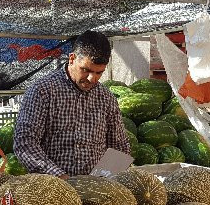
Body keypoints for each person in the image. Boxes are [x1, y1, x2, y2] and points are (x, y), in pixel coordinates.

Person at [14, 31, 131, 177]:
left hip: (95, 190)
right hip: (53, 189)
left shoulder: (106, 98)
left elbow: (119, 147)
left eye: (99, 73)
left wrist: (103, 182)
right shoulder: (42, 91)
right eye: (85, 70)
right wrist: (60, 177)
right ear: (72, 59)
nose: (91, 78)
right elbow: (25, 144)